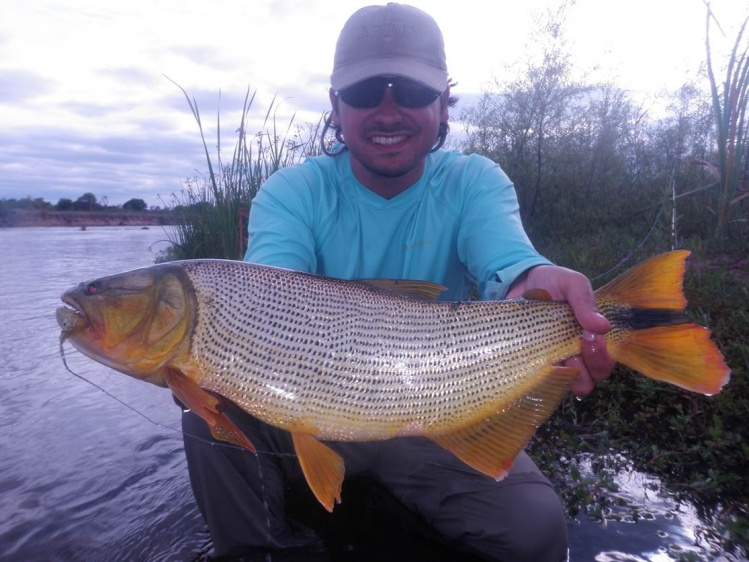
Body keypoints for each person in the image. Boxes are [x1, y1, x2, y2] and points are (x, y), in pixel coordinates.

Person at [181, 3, 614, 560]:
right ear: (336, 106)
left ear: (443, 103)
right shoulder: (292, 193)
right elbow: (270, 290)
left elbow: (509, 264)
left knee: (534, 532)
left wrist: (535, 284)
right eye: (365, 93)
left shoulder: (475, 182)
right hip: (313, 406)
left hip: (440, 407)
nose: (388, 111)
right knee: (204, 418)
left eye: (410, 90)